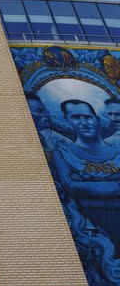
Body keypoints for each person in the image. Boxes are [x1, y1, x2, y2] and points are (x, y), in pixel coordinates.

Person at [52, 99, 120, 246]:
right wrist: (115, 186)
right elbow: (70, 186)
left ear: (97, 119)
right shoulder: (63, 154)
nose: (83, 122)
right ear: (67, 120)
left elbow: (77, 186)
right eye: (76, 117)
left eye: (87, 116)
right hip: (90, 226)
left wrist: (84, 184)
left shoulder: (118, 152)